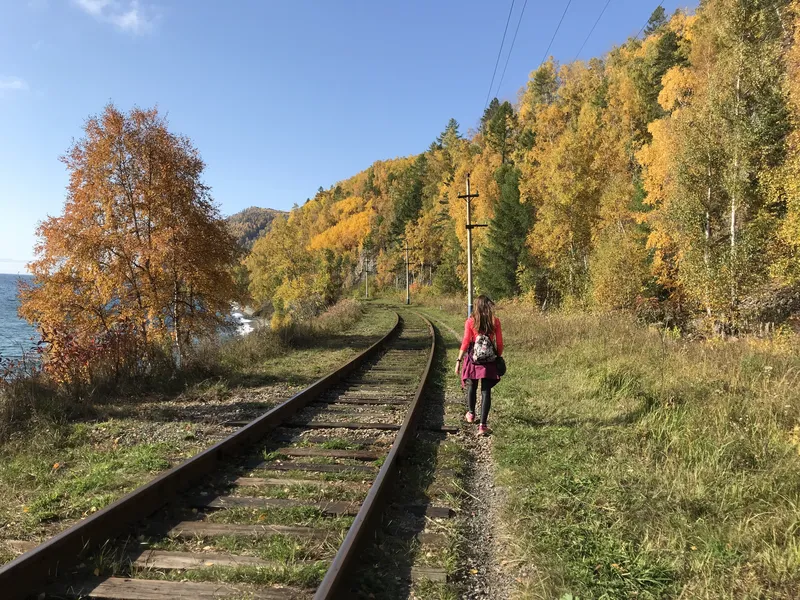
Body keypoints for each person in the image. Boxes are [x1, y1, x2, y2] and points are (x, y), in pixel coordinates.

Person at [455, 295, 503, 436]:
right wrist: (497, 356)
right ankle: (483, 426)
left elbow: (465, 342)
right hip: (489, 360)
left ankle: (471, 413)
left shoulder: (471, 322)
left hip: (473, 358)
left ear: (476, 306)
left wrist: (459, 360)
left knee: (472, 385)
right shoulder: (495, 322)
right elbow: (499, 343)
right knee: (486, 391)